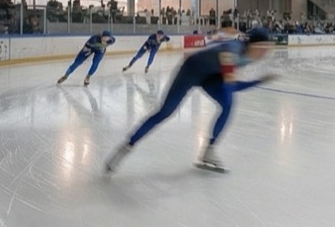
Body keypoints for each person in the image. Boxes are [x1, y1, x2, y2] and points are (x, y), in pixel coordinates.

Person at [103, 29, 279, 174]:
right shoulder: (234, 49)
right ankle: (126, 146)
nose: (264, 53)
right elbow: (231, 82)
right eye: (261, 47)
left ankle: (208, 151)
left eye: (268, 49)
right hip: (191, 71)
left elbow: (229, 85)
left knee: (228, 105)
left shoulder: (248, 56)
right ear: (251, 44)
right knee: (165, 112)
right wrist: (258, 81)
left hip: (211, 76)